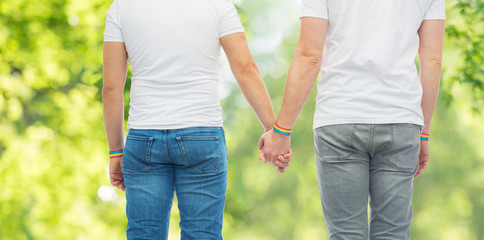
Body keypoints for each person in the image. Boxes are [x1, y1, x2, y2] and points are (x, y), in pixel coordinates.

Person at [102, 0, 289, 238]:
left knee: (144, 233)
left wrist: (115, 151)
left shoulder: (122, 7)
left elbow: (111, 88)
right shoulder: (218, 5)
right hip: (201, 136)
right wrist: (273, 132)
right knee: (202, 233)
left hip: (144, 137)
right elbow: (245, 69)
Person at [259, 0, 445, 239]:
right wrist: (424, 133)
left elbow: (310, 56)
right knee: (392, 233)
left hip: (339, 118)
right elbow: (433, 61)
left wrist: (281, 130)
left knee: (346, 233)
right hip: (400, 119)